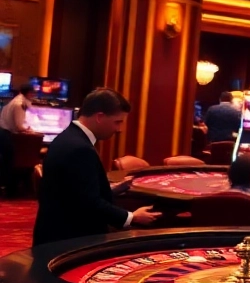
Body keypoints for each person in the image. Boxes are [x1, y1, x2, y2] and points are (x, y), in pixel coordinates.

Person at [32, 87, 160, 245]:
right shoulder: (80, 149)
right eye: (117, 122)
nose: (119, 129)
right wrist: (132, 217)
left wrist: (110, 188)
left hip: (56, 233)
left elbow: (73, 190)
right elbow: (89, 203)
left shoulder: (70, 137)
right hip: (69, 240)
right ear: (100, 117)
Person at [0, 83, 35, 196]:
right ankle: (11, 191)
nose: (33, 96)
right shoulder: (19, 104)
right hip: (6, 135)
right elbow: (19, 127)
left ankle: (10, 189)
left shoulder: (16, 101)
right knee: (10, 164)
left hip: (5, 133)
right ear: (29, 93)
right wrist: (28, 130)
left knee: (9, 163)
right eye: (33, 94)